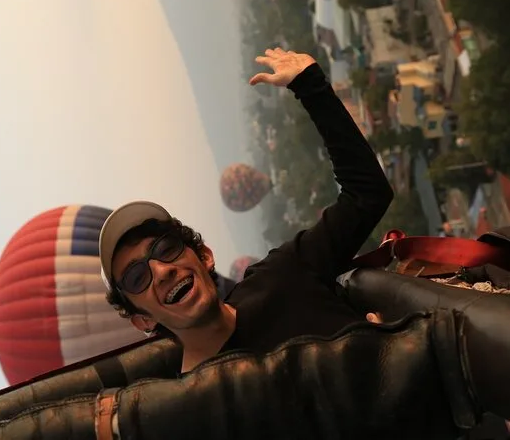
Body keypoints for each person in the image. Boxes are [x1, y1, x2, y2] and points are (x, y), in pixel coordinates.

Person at [98, 48, 394, 373]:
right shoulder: (196, 400)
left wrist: (311, 86)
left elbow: (367, 195)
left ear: (205, 255)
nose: (161, 270)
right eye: (137, 277)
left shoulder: (281, 274)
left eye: (166, 248)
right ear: (142, 320)